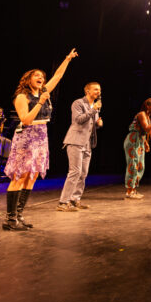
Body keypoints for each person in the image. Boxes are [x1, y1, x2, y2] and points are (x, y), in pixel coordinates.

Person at [2, 49, 78, 230]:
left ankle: (19, 216)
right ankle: (10, 219)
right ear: (28, 79)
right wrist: (40, 102)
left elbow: (58, 76)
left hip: (41, 137)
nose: (41, 78)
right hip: (26, 138)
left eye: (42, 77)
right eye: (36, 76)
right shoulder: (22, 96)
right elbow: (26, 120)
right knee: (20, 176)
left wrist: (67, 59)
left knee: (32, 176)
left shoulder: (43, 91)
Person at [57, 82, 103, 212]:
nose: (98, 92)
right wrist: (94, 110)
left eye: (99, 90)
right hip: (75, 141)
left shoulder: (95, 106)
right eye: (95, 89)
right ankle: (63, 202)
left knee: (83, 173)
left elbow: (90, 125)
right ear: (87, 91)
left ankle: (74, 199)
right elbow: (78, 120)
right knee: (75, 172)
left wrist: (98, 124)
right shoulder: (78, 103)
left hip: (87, 143)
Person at [124, 98, 151, 199]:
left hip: (139, 141)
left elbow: (144, 131)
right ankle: (129, 191)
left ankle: (134, 190)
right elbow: (147, 128)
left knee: (140, 166)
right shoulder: (141, 114)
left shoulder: (148, 116)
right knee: (133, 165)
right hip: (133, 140)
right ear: (147, 106)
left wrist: (145, 142)